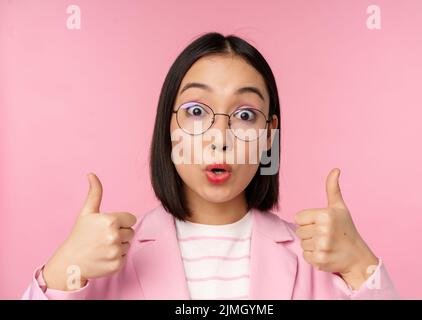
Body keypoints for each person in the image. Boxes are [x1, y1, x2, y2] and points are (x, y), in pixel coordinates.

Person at [22, 32, 398, 300]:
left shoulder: (318, 258)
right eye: (197, 111)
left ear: (270, 136)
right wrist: (62, 271)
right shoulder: (108, 257)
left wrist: (360, 265)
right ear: (167, 126)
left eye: (246, 115)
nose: (220, 137)